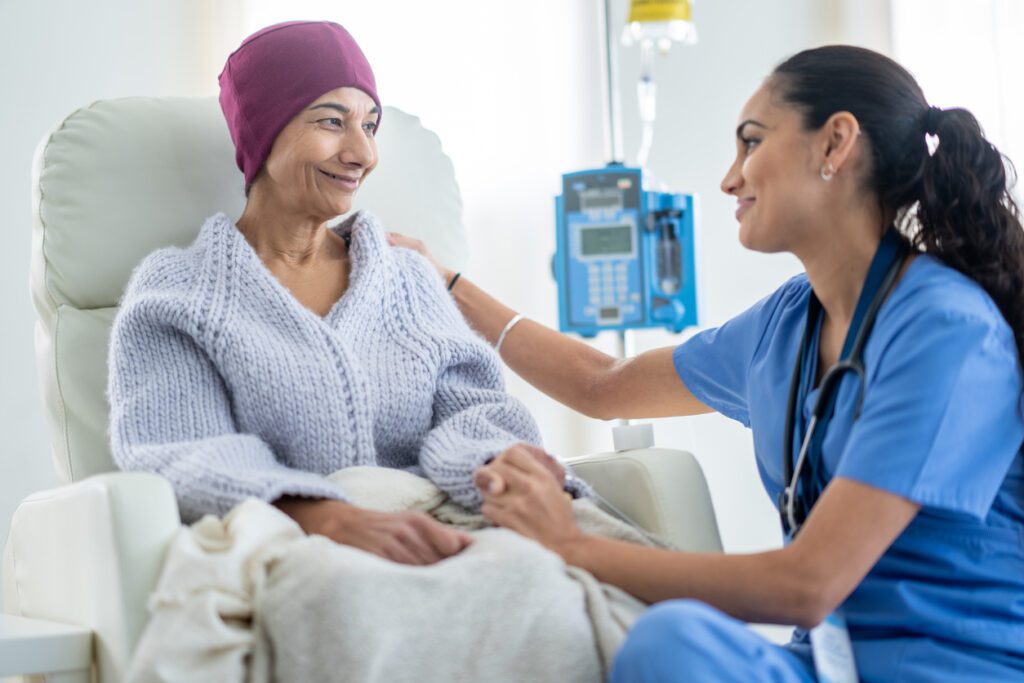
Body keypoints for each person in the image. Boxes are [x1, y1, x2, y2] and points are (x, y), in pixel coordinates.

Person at [391, 45, 1024, 680]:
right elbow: (602, 384)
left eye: (752, 142)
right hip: (820, 665)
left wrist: (568, 543)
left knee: (666, 638)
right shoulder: (788, 323)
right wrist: (447, 285)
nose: (730, 179)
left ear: (835, 144)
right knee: (671, 643)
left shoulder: (947, 331)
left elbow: (809, 585)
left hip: (952, 669)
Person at [107, 21, 580, 569]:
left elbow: (475, 409)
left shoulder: (405, 277)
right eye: (332, 122)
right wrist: (325, 517)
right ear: (264, 133)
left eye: (370, 126)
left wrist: (497, 467)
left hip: (452, 523)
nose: (363, 153)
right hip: (298, 547)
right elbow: (183, 447)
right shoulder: (179, 292)